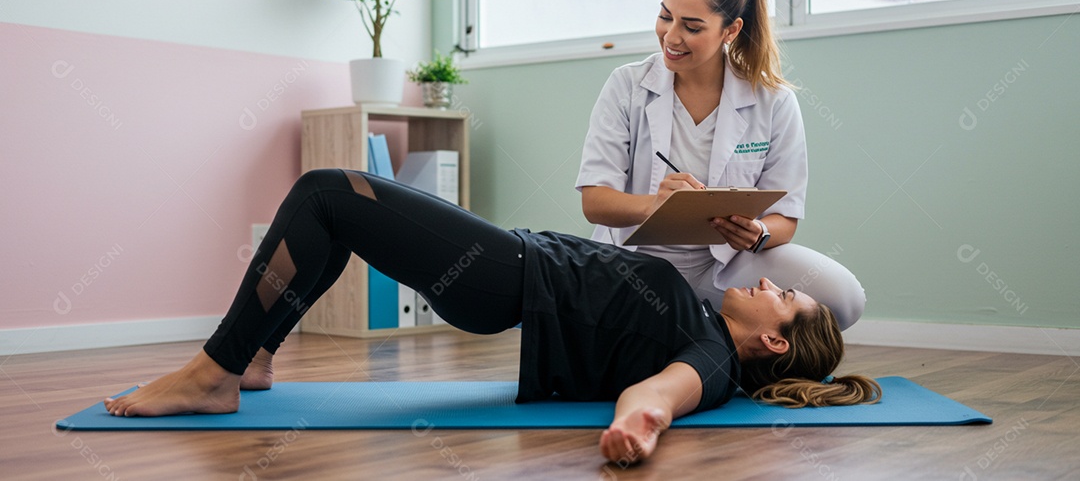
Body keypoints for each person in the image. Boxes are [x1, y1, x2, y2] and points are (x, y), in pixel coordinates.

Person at [103, 169, 879, 464]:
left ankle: (214, 371)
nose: (769, 280)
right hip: (508, 266)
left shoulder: (711, 358)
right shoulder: (707, 325)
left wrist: (638, 427)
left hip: (506, 277)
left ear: (772, 338)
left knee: (327, 193)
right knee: (336, 216)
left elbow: (661, 394)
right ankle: (253, 357)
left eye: (784, 294)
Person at [577, 0, 865, 330]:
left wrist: (759, 234)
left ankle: (721, 336)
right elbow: (595, 202)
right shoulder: (627, 86)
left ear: (730, 30)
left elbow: (785, 218)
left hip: (725, 270)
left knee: (843, 298)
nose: (671, 36)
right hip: (636, 265)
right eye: (665, 16)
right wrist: (654, 205)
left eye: (692, 27)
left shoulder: (774, 101)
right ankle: (704, 337)